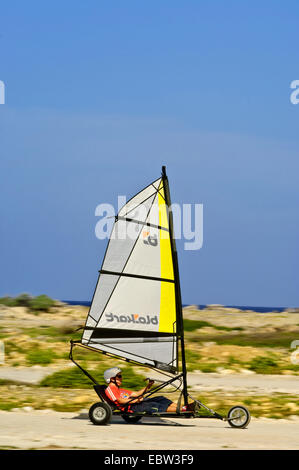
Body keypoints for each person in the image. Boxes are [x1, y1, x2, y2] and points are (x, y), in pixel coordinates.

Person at [104, 367, 197, 414]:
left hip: (136, 403)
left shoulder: (120, 389)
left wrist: (148, 386)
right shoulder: (110, 389)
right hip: (131, 408)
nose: (121, 378)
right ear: (112, 379)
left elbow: (136, 393)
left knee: (160, 399)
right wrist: (136, 400)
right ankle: (183, 410)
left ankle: (183, 408)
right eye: (119, 376)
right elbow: (119, 400)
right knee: (154, 405)